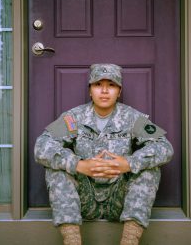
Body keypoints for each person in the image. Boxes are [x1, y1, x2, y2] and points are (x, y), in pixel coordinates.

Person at [34, 63, 173, 245]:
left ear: (119, 91)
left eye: (112, 85)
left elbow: (164, 147)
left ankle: (129, 241)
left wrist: (129, 163)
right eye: (98, 85)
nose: (105, 91)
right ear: (90, 90)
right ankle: (72, 241)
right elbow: (41, 146)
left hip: (120, 200)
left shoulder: (132, 117)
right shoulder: (74, 117)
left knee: (149, 171)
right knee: (56, 170)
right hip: (83, 199)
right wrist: (79, 165)